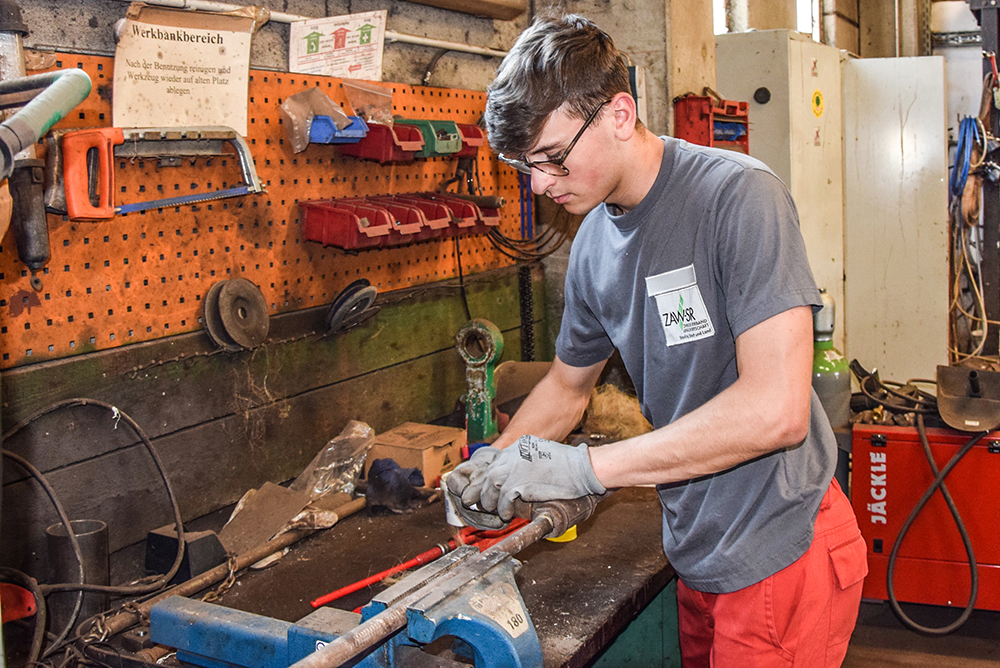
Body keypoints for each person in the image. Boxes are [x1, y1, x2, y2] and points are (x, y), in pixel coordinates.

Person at [446, 13, 868, 668]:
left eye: (553, 158)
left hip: (780, 550)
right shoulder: (591, 246)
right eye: (524, 166)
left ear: (619, 113)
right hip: (696, 549)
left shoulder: (738, 198)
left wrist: (585, 470)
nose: (539, 183)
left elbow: (776, 411)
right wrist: (501, 462)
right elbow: (566, 386)